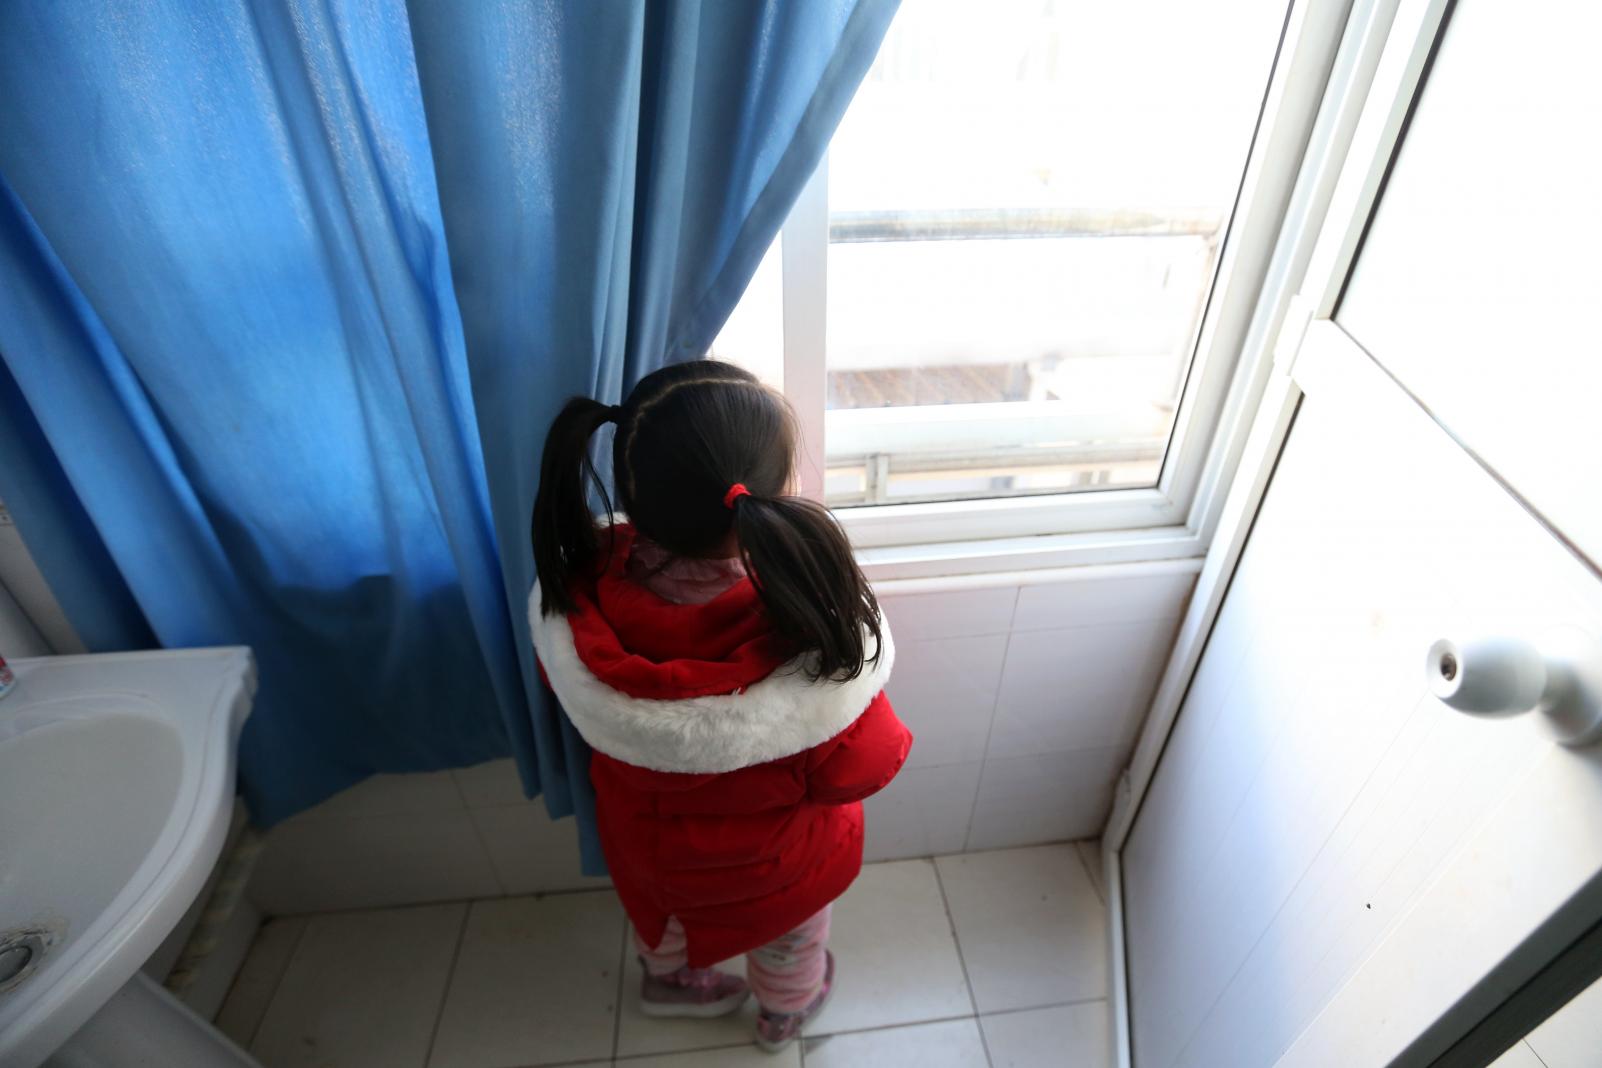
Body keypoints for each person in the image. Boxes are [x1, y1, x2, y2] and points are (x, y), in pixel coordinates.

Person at [530, 360, 912, 1052]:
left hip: (650, 855)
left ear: (636, 491)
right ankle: (782, 1016)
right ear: (770, 495)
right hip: (776, 870)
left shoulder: (582, 593)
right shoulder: (806, 626)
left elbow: (566, 691)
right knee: (790, 944)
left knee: (666, 927)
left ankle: (670, 985)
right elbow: (862, 769)